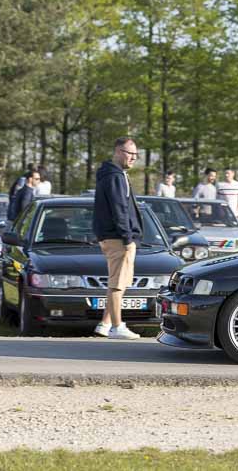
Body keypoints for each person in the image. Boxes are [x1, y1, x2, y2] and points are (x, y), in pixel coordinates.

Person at [92, 137, 144, 340]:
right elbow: (119, 208)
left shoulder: (113, 174)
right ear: (118, 151)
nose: (133, 158)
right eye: (129, 153)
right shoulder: (115, 176)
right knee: (117, 284)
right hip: (118, 237)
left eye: (135, 155)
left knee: (119, 281)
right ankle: (117, 326)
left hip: (114, 236)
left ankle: (104, 324)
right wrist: (127, 236)